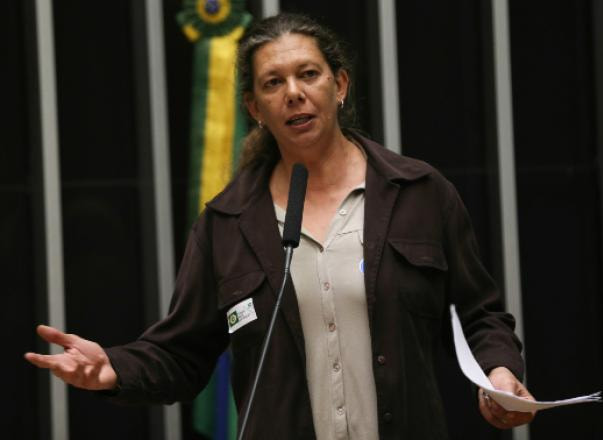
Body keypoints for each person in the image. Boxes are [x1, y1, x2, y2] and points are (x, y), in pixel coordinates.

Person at [25, 13, 535, 439]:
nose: (294, 93)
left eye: (308, 75)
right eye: (274, 83)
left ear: (339, 85)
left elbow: (479, 312)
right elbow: (181, 353)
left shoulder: (420, 192)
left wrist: (501, 372)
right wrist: (113, 368)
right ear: (255, 108)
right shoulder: (228, 222)